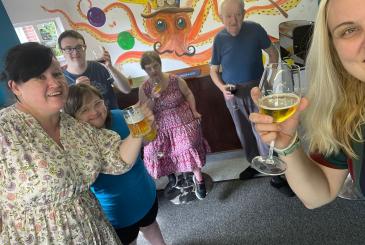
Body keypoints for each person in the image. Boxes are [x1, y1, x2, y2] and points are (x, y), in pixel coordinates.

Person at [249, 0, 365, 243]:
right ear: (334, 50)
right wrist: (287, 143)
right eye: (349, 30)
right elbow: (317, 195)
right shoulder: (350, 115)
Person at [0, 42, 153, 244]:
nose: (54, 83)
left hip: (94, 230)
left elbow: (117, 159)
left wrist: (138, 130)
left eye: (56, 74)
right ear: (15, 87)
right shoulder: (5, 130)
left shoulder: (74, 127)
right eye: (39, 77)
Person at [64, 83, 166, 245]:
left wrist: (150, 127)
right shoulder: (78, 144)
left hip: (146, 194)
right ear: (72, 117)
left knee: (151, 227)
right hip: (116, 213)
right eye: (84, 110)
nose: (95, 112)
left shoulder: (121, 116)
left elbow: (146, 141)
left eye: (97, 103)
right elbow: (119, 161)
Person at [209, 0, 290, 191]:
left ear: (244, 14)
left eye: (238, 14)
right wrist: (222, 88)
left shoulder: (255, 30)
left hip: (257, 89)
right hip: (233, 94)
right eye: (228, 16)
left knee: (264, 131)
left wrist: (268, 81)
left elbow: (272, 54)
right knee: (244, 132)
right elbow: (213, 71)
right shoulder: (219, 39)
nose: (234, 20)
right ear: (221, 18)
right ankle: (254, 164)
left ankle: (275, 174)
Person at [138, 51, 210, 200]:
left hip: (181, 119)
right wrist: (152, 97)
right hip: (158, 124)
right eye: (148, 68)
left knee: (188, 145)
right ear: (144, 70)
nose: (153, 70)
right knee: (152, 150)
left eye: (155, 66)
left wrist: (194, 111)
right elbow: (145, 111)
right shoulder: (144, 88)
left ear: (160, 64)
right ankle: (172, 177)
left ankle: (199, 179)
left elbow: (188, 94)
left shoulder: (175, 80)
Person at [58, 30, 131, 109]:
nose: (75, 52)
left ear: (84, 48)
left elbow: (126, 89)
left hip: (114, 117)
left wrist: (110, 67)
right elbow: (67, 112)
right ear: (62, 51)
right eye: (68, 49)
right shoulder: (62, 81)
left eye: (79, 47)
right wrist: (77, 91)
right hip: (87, 122)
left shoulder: (98, 67)